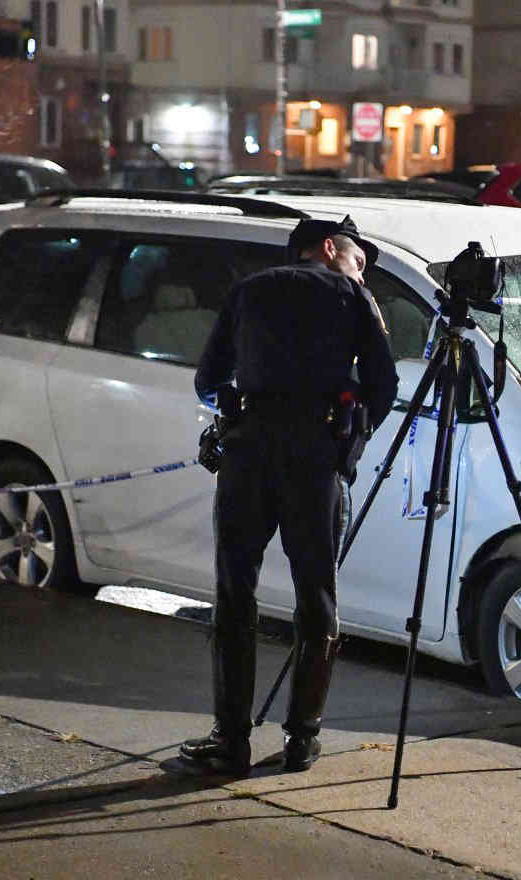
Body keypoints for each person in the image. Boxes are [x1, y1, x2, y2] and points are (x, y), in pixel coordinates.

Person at [182, 215, 399, 775]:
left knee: (234, 596)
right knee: (315, 597)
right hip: (315, 461)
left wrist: (234, 408)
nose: (361, 271)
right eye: (359, 260)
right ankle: (302, 738)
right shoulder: (354, 297)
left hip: (248, 456)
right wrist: (346, 443)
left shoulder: (248, 291)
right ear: (329, 248)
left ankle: (230, 741)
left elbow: (208, 379)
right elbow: (385, 384)